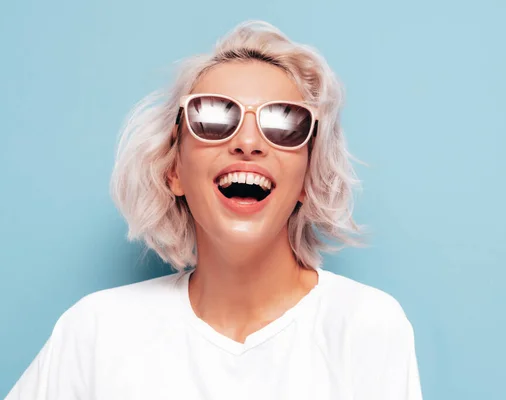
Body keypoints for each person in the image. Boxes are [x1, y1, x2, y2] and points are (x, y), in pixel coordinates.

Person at [7, 20, 423, 400]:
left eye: (284, 124)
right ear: (174, 170)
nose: (248, 143)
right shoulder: (96, 331)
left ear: (306, 180)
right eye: (211, 117)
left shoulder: (365, 326)